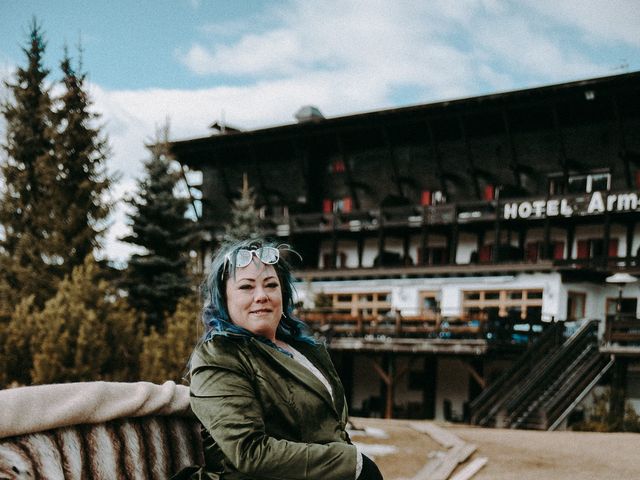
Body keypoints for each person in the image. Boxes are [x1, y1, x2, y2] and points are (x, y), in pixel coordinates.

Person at [185, 238, 383, 480]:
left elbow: (331, 430)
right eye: (246, 287)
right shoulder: (218, 356)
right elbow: (249, 452)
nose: (261, 296)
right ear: (223, 299)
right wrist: (352, 464)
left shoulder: (305, 350)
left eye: (270, 285)